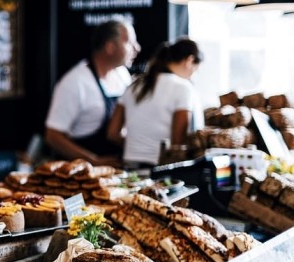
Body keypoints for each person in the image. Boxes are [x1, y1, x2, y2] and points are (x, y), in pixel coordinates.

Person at [45, 19, 140, 167]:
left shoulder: (122, 75)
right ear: (110, 47)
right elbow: (53, 136)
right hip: (82, 174)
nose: (137, 48)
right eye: (129, 43)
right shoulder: (75, 82)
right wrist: (93, 161)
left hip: (117, 170)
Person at [107, 38, 204, 168]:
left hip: (129, 167)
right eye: (196, 69)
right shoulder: (183, 88)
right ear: (189, 60)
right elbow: (178, 144)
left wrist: (138, 145)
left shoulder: (133, 86)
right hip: (160, 169)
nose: (193, 75)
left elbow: (113, 133)